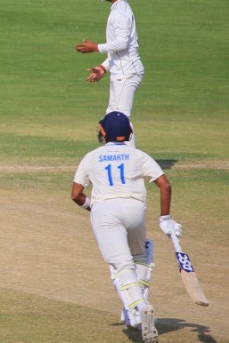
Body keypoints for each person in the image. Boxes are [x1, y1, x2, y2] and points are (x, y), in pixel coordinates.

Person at [70, 111, 182, 343]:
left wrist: (93, 207)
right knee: (140, 254)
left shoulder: (92, 157)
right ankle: (135, 309)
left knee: (121, 264)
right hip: (134, 209)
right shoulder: (138, 155)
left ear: (103, 132)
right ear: (129, 133)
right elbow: (164, 185)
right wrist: (165, 219)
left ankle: (140, 308)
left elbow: (76, 195)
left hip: (105, 211)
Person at [75, 0, 143, 146]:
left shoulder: (120, 13)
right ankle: (122, 156)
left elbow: (122, 43)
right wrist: (104, 67)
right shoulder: (120, 9)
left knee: (120, 118)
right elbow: (120, 50)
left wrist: (96, 47)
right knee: (114, 115)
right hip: (122, 69)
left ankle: (130, 159)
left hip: (127, 71)